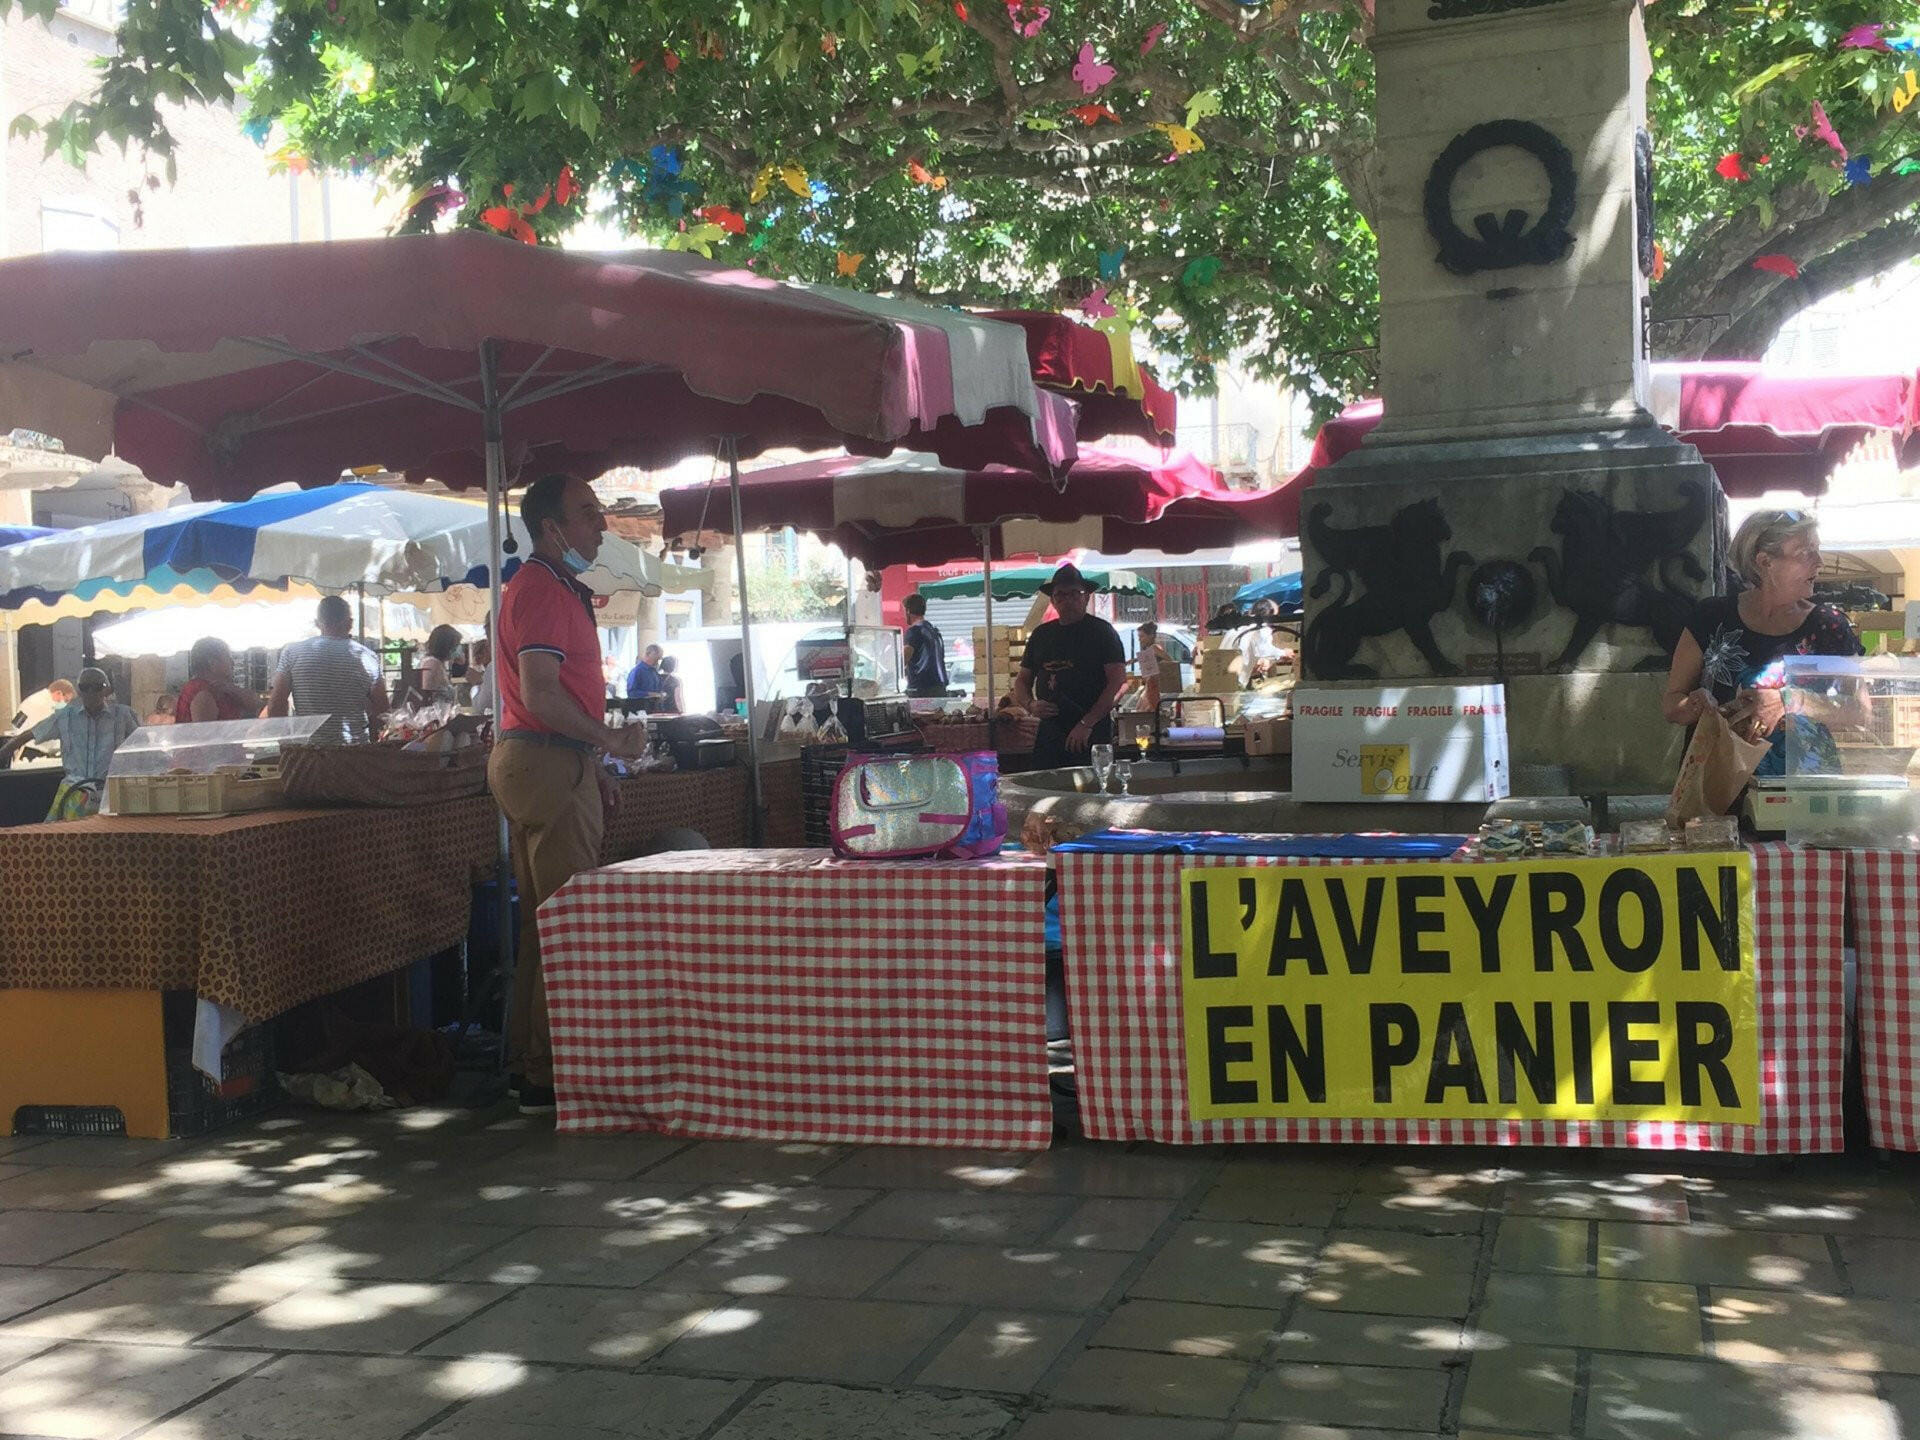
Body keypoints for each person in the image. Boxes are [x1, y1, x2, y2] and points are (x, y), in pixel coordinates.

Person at [489, 473, 648, 1114]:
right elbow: (542, 693)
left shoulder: (540, 588)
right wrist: (610, 742)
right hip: (547, 763)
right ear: (552, 527)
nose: (601, 525)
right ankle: (553, 1074)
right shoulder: (545, 590)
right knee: (568, 925)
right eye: (588, 514)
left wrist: (595, 759)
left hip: (541, 762)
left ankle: (535, 1068)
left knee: (543, 926)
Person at [1663, 509, 1863, 777]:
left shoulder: (1829, 625)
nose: (1820, 562)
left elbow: (1860, 712)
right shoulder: (1710, 616)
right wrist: (1697, 706)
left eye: (1817, 550)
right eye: (1806, 552)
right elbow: (1672, 704)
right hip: (1717, 787)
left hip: (1804, 792)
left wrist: (1789, 701)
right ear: (1764, 561)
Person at [1012, 562, 1128, 769]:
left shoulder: (1102, 632)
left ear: (1086, 597)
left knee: (1092, 791)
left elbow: (1118, 683)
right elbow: (1022, 681)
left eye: (1075, 593)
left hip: (1091, 729)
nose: (1068, 600)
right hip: (1051, 728)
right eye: (1061, 595)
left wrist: (1087, 723)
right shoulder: (1041, 635)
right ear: (1053, 601)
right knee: (1046, 790)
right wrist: (1030, 705)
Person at [0, 667, 140, 820]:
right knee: (61, 839)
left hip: (110, 793)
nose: (91, 692)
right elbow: (32, 733)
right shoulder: (65, 716)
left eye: (97, 687)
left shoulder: (123, 715)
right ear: (79, 691)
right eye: (85, 687)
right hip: (73, 791)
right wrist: (4, 751)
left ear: (106, 690)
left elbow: (142, 742)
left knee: (110, 839)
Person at [268, 595, 388, 744]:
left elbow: (276, 705)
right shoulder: (368, 658)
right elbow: (382, 713)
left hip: (309, 754)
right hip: (355, 754)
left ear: (317, 623)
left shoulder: (292, 652)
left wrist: (285, 744)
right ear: (350, 623)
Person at [176, 637, 262, 724]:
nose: (233, 663)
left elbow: (255, 704)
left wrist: (231, 689)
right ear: (212, 663)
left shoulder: (222, 688)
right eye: (228, 658)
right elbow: (204, 733)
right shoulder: (203, 693)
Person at [902, 593, 949, 697]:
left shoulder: (914, 631)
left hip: (922, 689)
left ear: (908, 611)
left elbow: (903, 660)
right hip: (940, 687)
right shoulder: (933, 630)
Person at [410, 625, 463, 706]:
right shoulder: (432, 664)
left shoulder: (437, 664)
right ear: (447, 645)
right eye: (456, 645)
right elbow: (427, 696)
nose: (458, 648)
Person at [10, 678, 75, 737]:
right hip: (35, 746)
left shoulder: (32, 699)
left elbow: (15, 724)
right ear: (58, 693)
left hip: (19, 742)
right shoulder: (46, 706)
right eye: (66, 700)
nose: (66, 704)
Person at [1133, 621, 1174, 713]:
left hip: (1154, 684)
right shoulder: (1149, 650)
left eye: (1142, 636)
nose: (1140, 639)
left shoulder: (1155, 648)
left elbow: (1170, 660)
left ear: (1151, 636)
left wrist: (1159, 667)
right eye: (1139, 637)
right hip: (1149, 684)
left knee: (1151, 710)